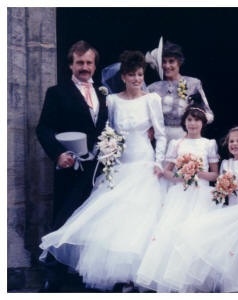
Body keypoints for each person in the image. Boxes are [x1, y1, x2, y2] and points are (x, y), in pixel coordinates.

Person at [39, 50, 167, 292]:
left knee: (144, 218)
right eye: (132, 75)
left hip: (145, 164)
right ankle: (117, 275)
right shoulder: (112, 100)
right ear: (123, 77)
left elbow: (160, 134)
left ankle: (140, 275)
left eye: (140, 74)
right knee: (115, 218)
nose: (137, 79)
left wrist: (159, 162)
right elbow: (107, 131)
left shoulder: (152, 100)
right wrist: (105, 153)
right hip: (119, 165)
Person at [161, 126, 238, 292]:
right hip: (232, 210)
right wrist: (222, 188)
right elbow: (221, 189)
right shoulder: (226, 163)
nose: (234, 144)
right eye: (231, 141)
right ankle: (230, 286)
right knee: (229, 247)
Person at [36, 40, 108, 292]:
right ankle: (53, 276)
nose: (85, 67)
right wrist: (58, 155)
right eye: (80, 63)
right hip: (71, 166)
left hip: (98, 168)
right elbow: (43, 128)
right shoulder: (57, 92)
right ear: (71, 64)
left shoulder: (102, 93)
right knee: (66, 218)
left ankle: (82, 274)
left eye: (89, 62)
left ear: (95, 65)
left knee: (93, 220)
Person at [135, 105, 219, 292]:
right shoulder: (177, 144)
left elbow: (214, 175)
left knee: (195, 235)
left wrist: (196, 172)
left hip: (201, 195)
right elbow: (167, 171)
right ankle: (172, 282)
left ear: (203, 123)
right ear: (184, 122)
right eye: (189, 119)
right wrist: (181, 177)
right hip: (180, 195)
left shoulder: (208, 144)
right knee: (173, 234)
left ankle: (194, 283)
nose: (193, 123)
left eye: (197, 120)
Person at [146, 39, 214, 142]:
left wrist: (195, 121)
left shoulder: (193, 83)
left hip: (186, 137)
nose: (167, 66)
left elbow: (208, 114)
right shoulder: (152, 88)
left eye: (171, 61)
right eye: (164, 62)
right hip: (161, 139)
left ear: (179, 62)